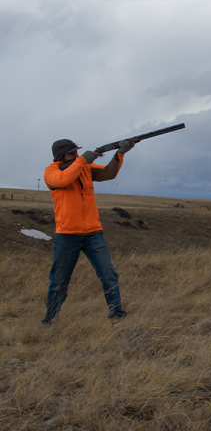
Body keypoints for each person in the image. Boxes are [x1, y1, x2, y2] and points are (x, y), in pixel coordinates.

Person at [41, 138, 135, 326]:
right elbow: (64, 180)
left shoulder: (84, 167)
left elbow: (108, 173)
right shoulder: (51, 172)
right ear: (60, 155)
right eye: (72, 152)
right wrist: (83, 160)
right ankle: (50, 319)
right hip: (67, 234)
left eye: (76, 151)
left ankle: (116, 312)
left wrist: (120, 153)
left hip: (93, 233)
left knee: (108, 274)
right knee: (59, 280)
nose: (76, 154)